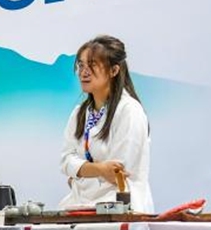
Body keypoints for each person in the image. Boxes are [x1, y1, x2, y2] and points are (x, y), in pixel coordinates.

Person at [58, 35, 153, 213]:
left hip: (118, 206)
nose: (83, 72)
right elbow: (65, 161)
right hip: (80, 203)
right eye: (80, 65)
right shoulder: (79, 113)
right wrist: (99, 169)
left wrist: (79, 174)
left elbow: (117, 172)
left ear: (114, 70)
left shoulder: (129, 110)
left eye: (92, 65)